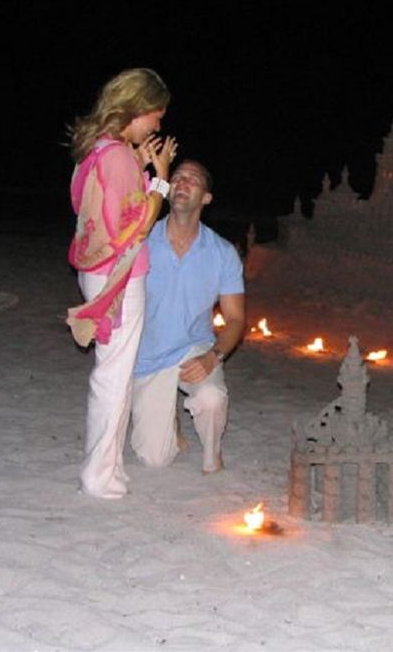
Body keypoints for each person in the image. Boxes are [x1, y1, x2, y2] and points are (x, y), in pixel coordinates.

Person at [66, 68, 178, 499]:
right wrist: (162, 179)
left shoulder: (100, 149)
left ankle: (107, 467)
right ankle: (99, 475)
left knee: (113, 370)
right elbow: (133, 228)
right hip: (118, 272)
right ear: (136, 109)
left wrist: (142, 165)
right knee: (114, 374)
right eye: (156, 115)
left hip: (100, 269)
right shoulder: (114, 155)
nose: (158, 125)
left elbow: (111, 204)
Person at [130, 160, 245, 473]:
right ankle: (171, 423)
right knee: (154, 458)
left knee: (211, 398)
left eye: (192, 180)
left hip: (193, 350)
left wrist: (213, 357)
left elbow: (235, 320)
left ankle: (212, 450)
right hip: (147, 354)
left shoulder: (222, 252)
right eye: (177, 178)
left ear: (206, 198)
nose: (182, 183)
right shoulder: (141, 237)